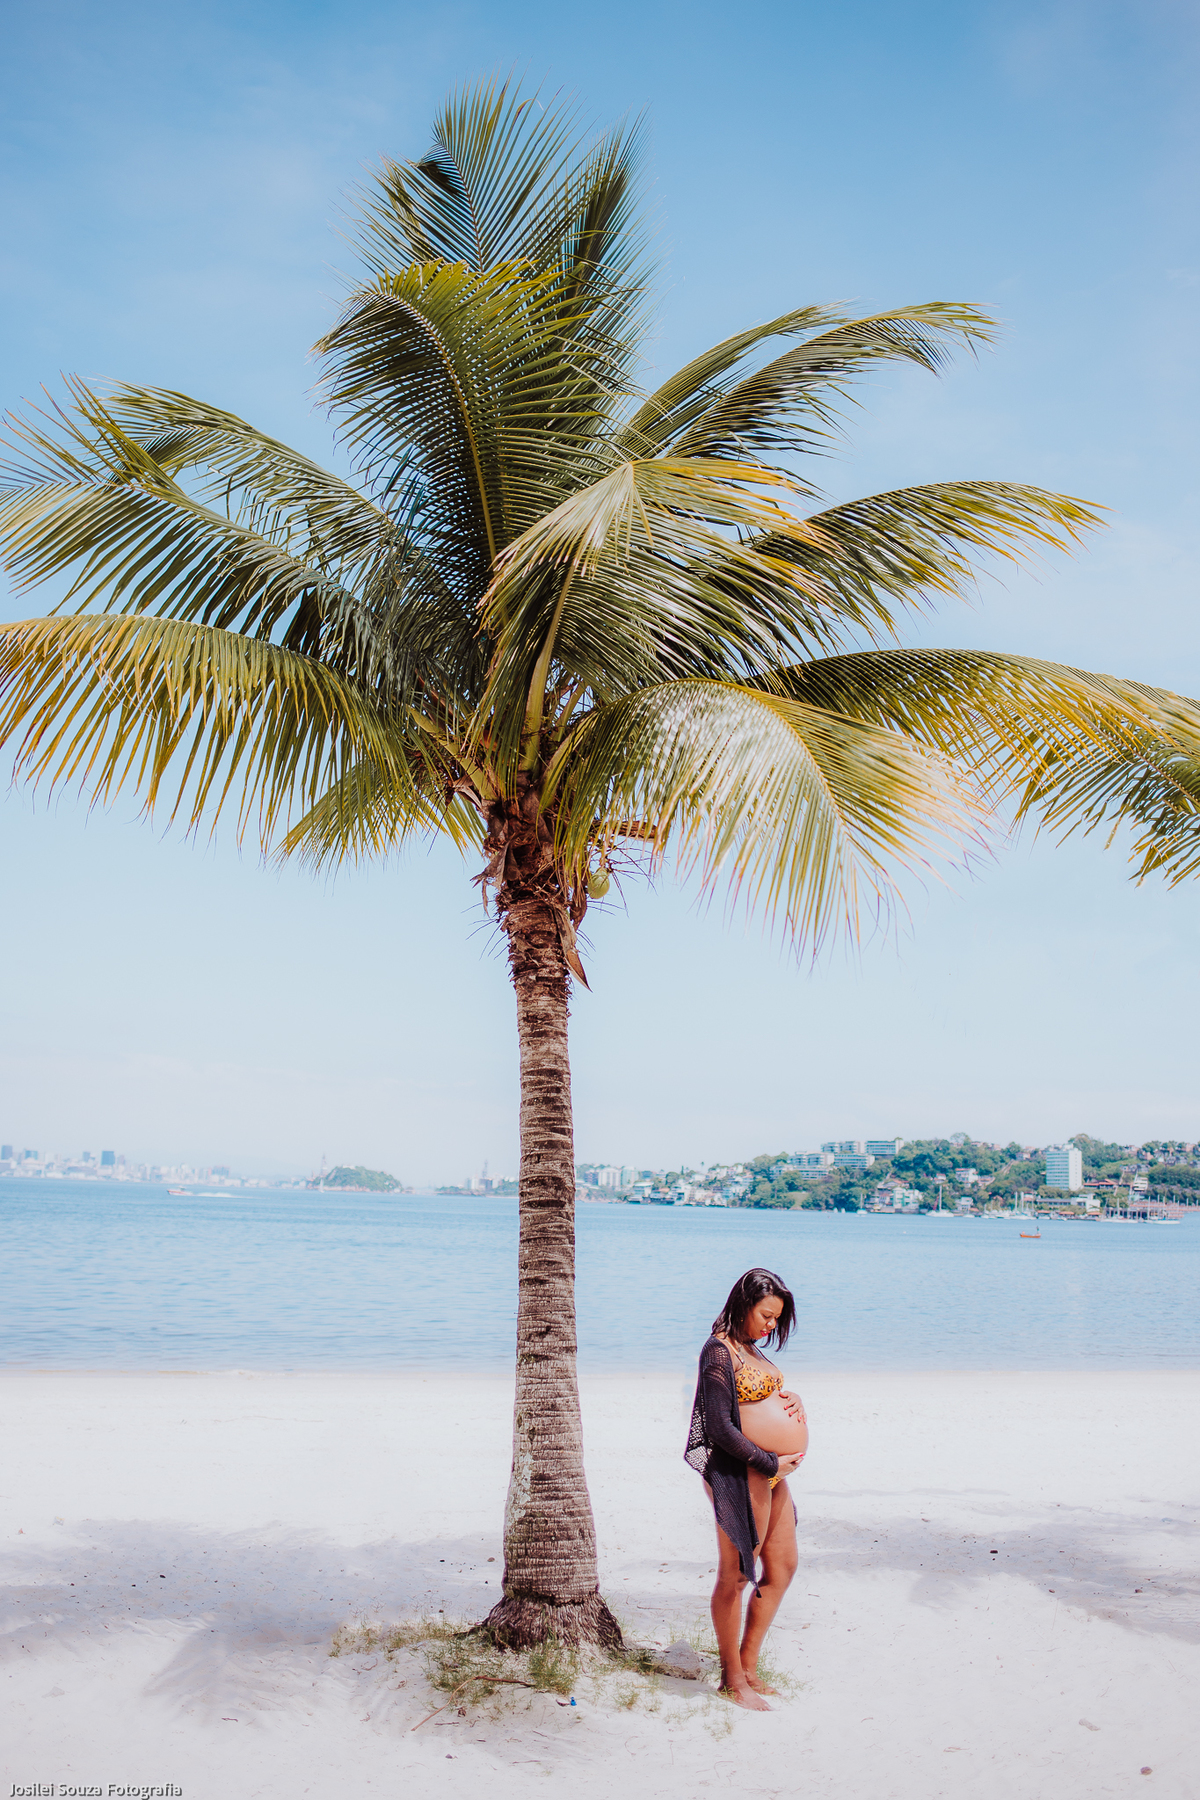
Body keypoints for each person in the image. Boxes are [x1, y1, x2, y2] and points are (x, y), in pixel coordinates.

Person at [685, 1267, 807, 1710]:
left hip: (772, 1476)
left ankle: (750, 1665)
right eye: (766, 1315)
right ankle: (732, 1678)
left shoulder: (751, 1351)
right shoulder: (718, 1351)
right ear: (744, 1304)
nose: (771, 1325)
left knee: (783, 1567)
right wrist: (771, 1460)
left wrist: (795, 1402)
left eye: (777, 1318)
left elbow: (763, 1402)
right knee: (736, 1574)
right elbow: (717, 1426)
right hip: (741, 1472)